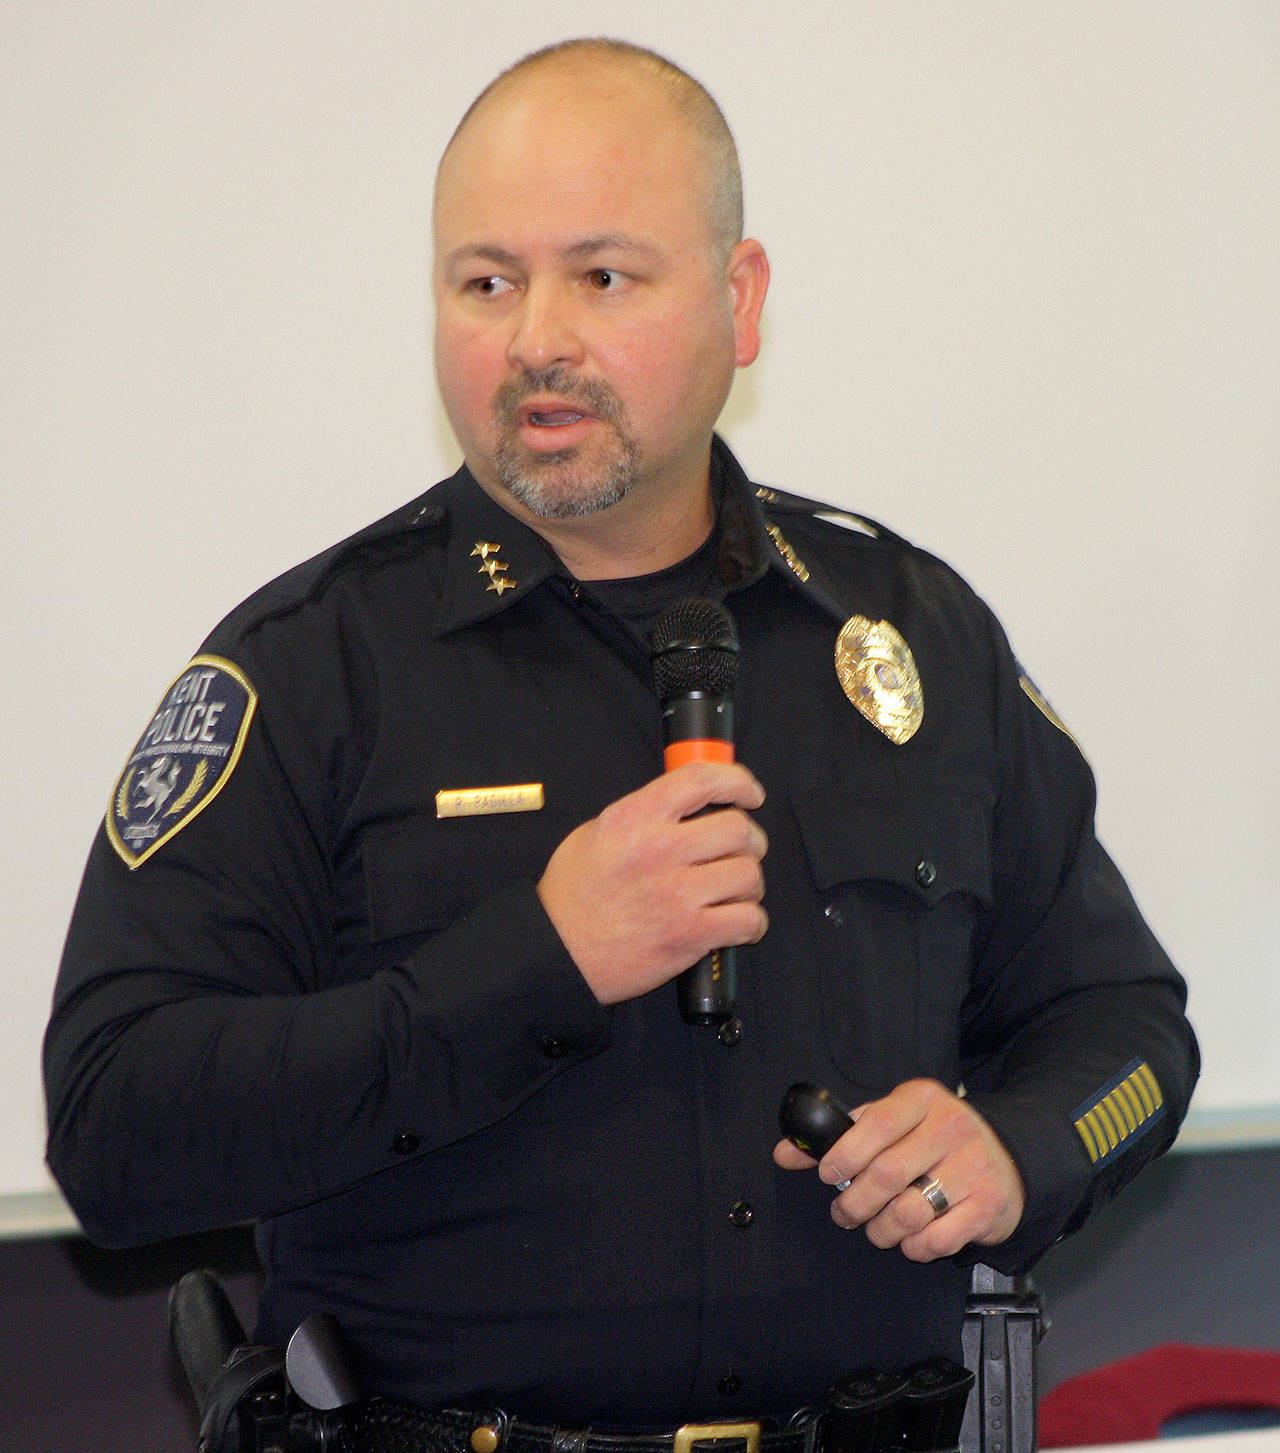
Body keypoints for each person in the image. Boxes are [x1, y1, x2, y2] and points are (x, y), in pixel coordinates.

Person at [45, 37, 1198, 1436]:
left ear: (740, 298)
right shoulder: (310, 669)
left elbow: (1131, 1032)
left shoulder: (910, 633)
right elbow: (116, 1135)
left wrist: (1017, 1149)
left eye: (602, 277)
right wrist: (537, 960)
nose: (536, 336)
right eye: (486, 281)